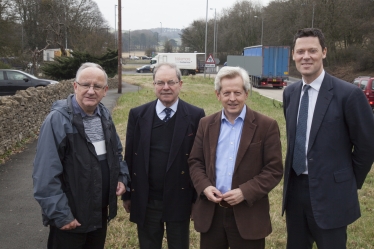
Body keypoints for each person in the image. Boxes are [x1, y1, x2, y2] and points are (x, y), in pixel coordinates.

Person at [283, 28, 374, 249]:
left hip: (332, 195)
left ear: (324, 52)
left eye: (312, 50)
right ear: (293, 55)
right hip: (295, 192)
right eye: (300, 51)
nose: (306, 56)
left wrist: (347, 181)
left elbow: (367, 146)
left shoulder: (349, 95)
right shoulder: (290, 93)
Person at [33, 62, 130, 249]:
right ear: (75, 86)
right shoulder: (58, 120)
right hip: (71, 217)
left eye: (97, 86)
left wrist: (121, 177)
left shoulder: (104, 116)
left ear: (105, 90)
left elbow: (116, 153)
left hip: (98, 215)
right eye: (85, 85)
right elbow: (45, 174)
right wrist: (60, 214)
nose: (91, 91)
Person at [188, 66, 283, 249]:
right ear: (218, 95)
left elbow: (274, 170)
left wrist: (244, 192)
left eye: (237, 92)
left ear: (247, 93)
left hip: (249, 214)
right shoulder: (206, 124)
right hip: (212, 213)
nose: (232, 98)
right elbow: (195, 162)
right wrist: (205, 187)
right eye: (227, 93)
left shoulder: (266, 126)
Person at [122, 62, 205, 249]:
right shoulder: (138, 115)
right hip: (147, 198)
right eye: (160, 82)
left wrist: (196, 199)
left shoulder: (195, 115)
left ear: (180, 84)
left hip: (180, 198)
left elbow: (199, 160)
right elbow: (130, 157)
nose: (165, 87)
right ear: (154, 85)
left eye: (171, 82)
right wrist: (127, 194)